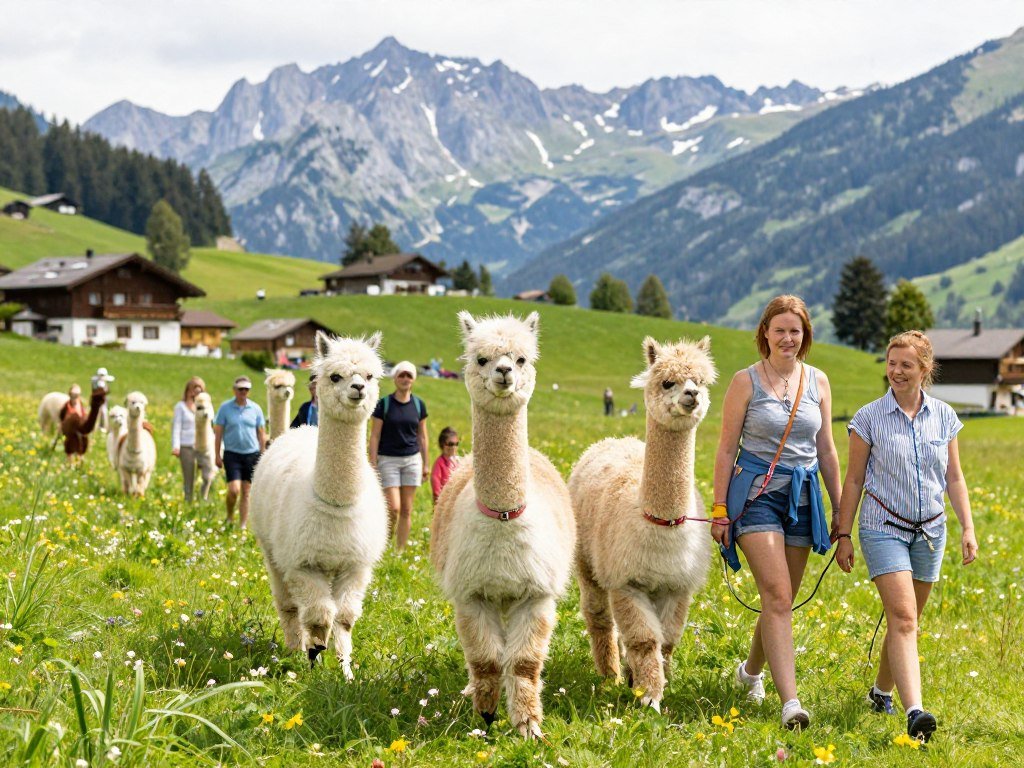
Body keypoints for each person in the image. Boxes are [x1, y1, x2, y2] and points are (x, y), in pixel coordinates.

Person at [832, 330, 977, 743]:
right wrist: (844, 533)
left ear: (924, 370)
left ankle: (880, 693)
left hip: (931, 530)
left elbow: (954, 476)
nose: (895, 371)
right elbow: (855, 479)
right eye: (891, 364)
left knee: (907, 624)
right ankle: (915, 711)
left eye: (905, 365)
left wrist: (967, 526)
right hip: (883, 527)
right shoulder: (867, 418)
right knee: (904, 617)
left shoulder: (945, 417)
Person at [710, 294, 842, 730]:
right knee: (778, 595)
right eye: (780, 329)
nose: (787, 338)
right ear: (764, 332)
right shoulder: (744, 382)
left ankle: (749, 673)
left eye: (796, 331)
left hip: (803, 496)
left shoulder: (818, 381)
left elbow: (826, 449)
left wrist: (840, 512)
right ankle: (791, 704)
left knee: (779, 601)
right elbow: (727, 447)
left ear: (805, 337)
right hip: (756, 496)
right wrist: (719, 509)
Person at [369, 361, 429, 552]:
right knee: (393, 508)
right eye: (401, 375)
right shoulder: (384, 404)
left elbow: (423, 436)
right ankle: (385, 543)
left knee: (406, 510)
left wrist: (426, 463)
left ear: (413, 380)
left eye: (408, 376)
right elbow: (375, 435)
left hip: (412, 460)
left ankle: (400, 550)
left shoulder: (419, 405)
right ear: (395, 378)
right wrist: (372, 462)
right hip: (388, 460)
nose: (405, 379)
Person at [214, 376, 266, 527]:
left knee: (246, 491)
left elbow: (261, 433)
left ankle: (242, 524)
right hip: (232, 454)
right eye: (240, 389)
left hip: (251, 454)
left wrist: (262, 454)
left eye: (246, 389)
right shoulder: (225, 408)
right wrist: (217, 454)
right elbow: (218, 433)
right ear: (234, 390)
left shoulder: (256, 409)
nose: (243, 392)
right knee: (234, 490)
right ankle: (230, 516)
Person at [172, 376, 206, 502]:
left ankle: (203, 499)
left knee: (206, 475)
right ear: (189, 390)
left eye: (200, 389)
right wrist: (176, 446)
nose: (197, 392)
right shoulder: (180, 407)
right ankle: (188, 500)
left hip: (202, 446)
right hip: (187, 446)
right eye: (194, 388)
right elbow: (176, 427)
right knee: (189, 476)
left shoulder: (205, 407)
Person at [430, 426, 460, 504]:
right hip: (444, 504)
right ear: (442, 444)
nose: (454, 447)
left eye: (456, 444)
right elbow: (436, 491)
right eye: (450, 444)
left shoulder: (458, 461)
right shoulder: (439, 463)